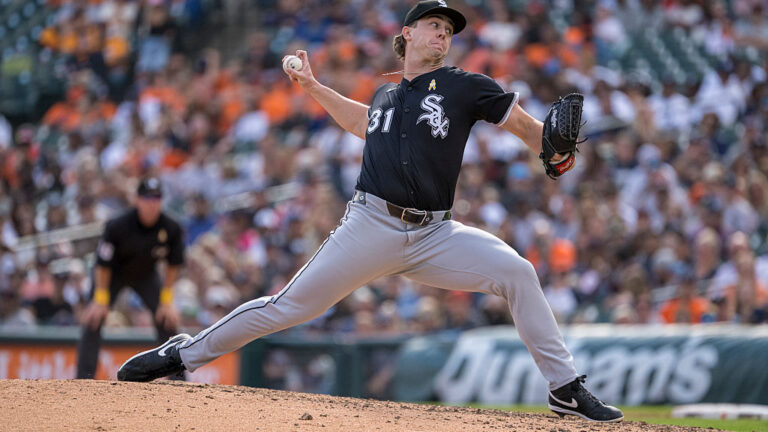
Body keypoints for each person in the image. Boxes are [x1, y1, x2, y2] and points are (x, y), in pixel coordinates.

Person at [118, 1, 622, 422]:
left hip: (436, 234)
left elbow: (530, 130)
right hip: (371, 224)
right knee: (289, 307)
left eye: (448, 31)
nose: (442, 36)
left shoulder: (466, 86)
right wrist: (314, 89)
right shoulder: (385, 94)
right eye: (434, 27)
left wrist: (552, 149)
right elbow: (363, 122)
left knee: (518, 272)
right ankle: (181, 353)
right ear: (407, 34)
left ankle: (564, 388)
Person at [76, 177, 185, 379]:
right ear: (137, 200)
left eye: (156, 198)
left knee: (167, 319)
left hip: (145, 275)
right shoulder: (118, 225)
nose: (152, 203)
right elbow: (102, 264)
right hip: (112, 274)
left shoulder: (171, 228)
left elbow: (173, 264)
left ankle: (179, 379)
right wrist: (100, 300)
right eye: (147, 198)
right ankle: (84, 378)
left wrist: (167, 300)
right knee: (93, 318)